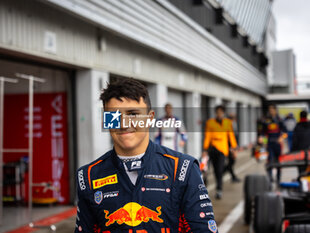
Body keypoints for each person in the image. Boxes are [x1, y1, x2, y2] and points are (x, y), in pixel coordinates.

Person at [75, 78, 218, 233]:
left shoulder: (184, 169)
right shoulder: (88, 176)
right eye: (114, 116)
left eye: (133, 114)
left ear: (149, 118)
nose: (124, 124)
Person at [202, 105, 238, 199]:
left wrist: (234, 148)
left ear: (223, 113)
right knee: (211, 170)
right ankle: (209, 188)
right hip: (213, 149)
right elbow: (207, 137)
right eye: (218, 112)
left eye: (221, 112)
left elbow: (231, 136)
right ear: (215, 113)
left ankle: (219, 189)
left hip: (223, 150)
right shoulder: (210, 123)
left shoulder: (227, 122)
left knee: (219, 170)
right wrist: (205, 149)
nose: (219, 114)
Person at [261, 104, 287, 184]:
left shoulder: (280, 120)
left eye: (272, 109)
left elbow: (285, 132)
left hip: (278, 144)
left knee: (278, 162)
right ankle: (270, 178)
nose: (271, 111)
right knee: (270, 161)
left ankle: (278, 179)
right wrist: (264, 141)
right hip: (269, 144)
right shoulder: (266, 120)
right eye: (270, 110)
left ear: (275, 110)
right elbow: (263, 133)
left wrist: (281, 138)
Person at [224, 113, 240, 183]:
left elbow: (235, 137)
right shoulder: (228, 126)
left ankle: (223, 172)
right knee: (231, 162)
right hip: (229, 147)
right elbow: (229, 138)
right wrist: (232, 149)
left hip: (232, 147)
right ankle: (222, 172)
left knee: (231, 162)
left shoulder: (233, 125)